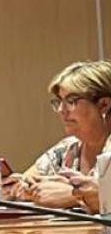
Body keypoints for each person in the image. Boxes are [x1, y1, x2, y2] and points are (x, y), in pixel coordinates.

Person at [8, 61, 111, 212]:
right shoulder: (68, 148)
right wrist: (28, 187)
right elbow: (24, 181)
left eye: (71, 101)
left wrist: (72, 196)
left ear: (104, 104)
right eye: (59, 102)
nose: (62, 110)